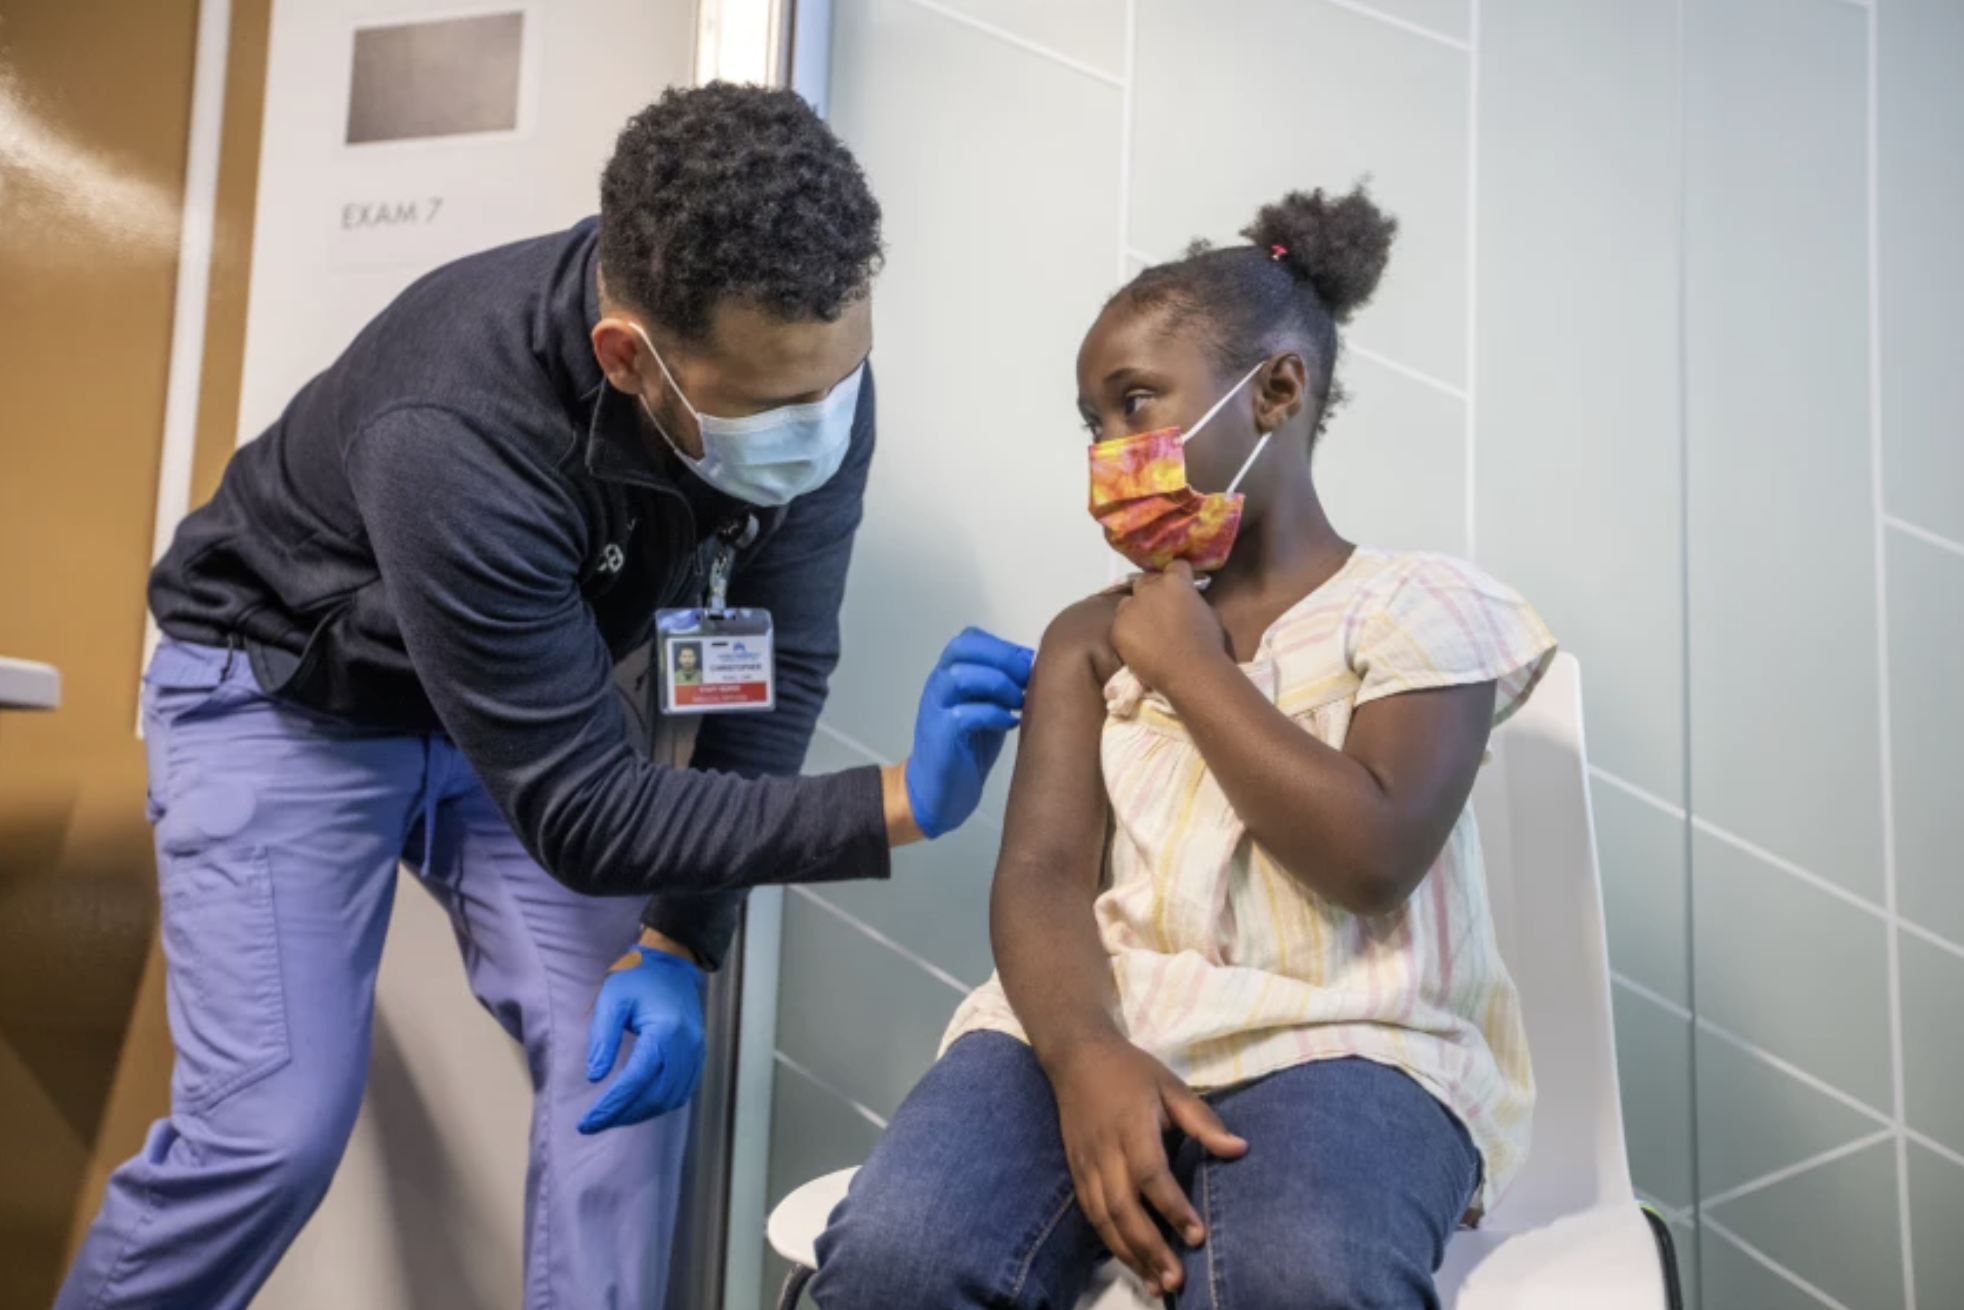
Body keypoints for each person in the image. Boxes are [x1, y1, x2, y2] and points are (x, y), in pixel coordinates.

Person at [58, 84, 1032, 1310]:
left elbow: (770, 667)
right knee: (269, 1131)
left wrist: (681, 935)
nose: (819, 428)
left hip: (530, 699)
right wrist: (897, 799)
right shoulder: (452, 417)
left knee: (616, 1081)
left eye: (840, 379)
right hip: (283, 688)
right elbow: (585, 812)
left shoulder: (813, 376)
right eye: (777, 406)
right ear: (628, 356)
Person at [811, 185, 1556, 1310]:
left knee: (1297, 1277)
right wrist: (1082, 1054)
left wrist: (1192, 667)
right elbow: (1041, 876)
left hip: (1351, 1041)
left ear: (1275, 392)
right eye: (1091, 423)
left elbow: (1372, 853)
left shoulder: (1420, 608)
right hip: (1089, 1020)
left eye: (1134, 403)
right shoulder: (1086, 636)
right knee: (894, 1253)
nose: (1111, 450)